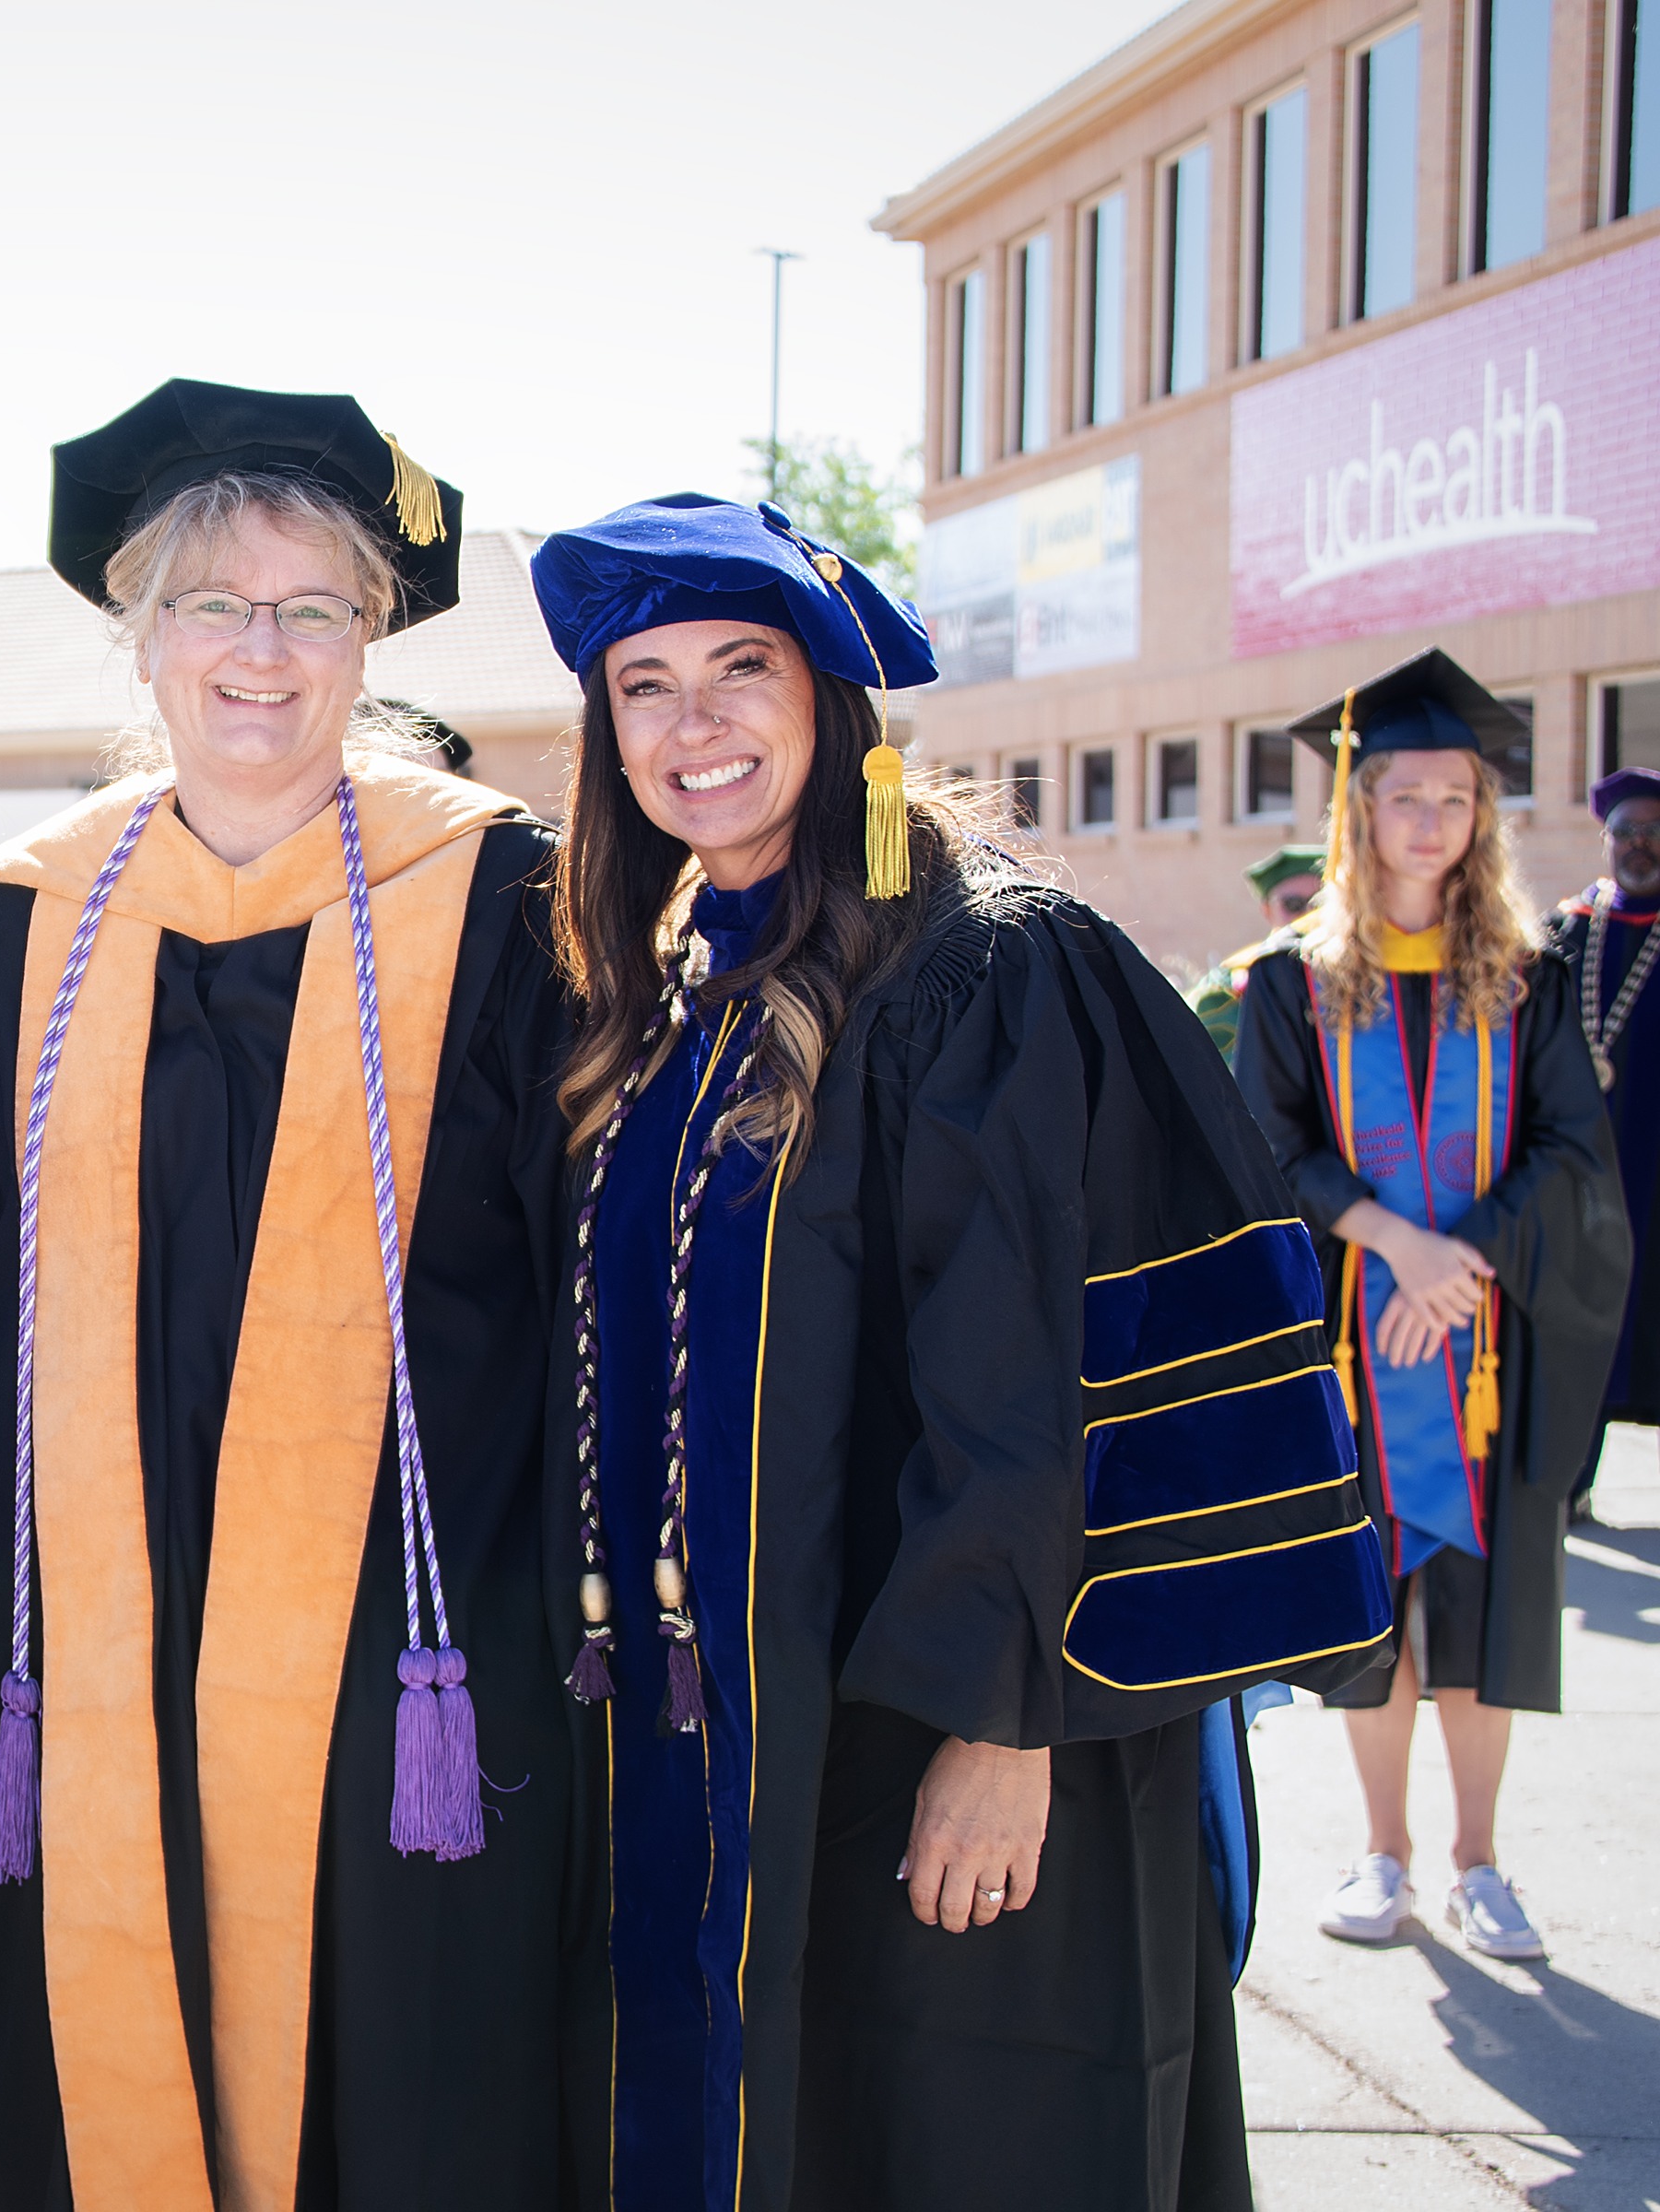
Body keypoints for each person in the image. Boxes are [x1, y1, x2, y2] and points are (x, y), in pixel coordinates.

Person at [531, 495, 1392, 2212]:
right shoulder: (675, 984)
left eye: (739, 670)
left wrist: (1008, 1736)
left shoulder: (985, 967)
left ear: (834, 700)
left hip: (961, 1741)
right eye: (645, 686)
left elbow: (1050, 1377)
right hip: (760, 1741)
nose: (691, 725)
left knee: (965, 2141)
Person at [0, 380, 598, 2208]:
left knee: (395, 2077)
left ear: (373, 639)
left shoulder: (504, 893)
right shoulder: (21, 920)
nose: (263, 652)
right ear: (138, 634)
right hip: (99, 1632)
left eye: (315, 608)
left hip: (413, 1634)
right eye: (215, 606)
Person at [1234, 648, 1629, 1966]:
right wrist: (1398, 1244)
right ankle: (1382, 1853)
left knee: (1477, 1612)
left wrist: (1460, 1265)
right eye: (1406, 796)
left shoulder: (1533, 972)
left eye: (1456, 799)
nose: (1431, 823)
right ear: (1362, 809)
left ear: (1482, 817)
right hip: (1356, 1341)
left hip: (1488, 1342)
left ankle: (1480, 1862)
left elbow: (1574, 1151)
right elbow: (1264, 1147)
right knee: (1376, 1611)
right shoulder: (1292, 981)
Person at [1551, 766, 1660, 1524]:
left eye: (1653, 833)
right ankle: (1570, 1480)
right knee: (1577, 1321)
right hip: (1583, 1168)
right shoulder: (1568, 930)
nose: (1639, 845)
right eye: (1625, 832)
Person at [1187, 841, 1324, 1062]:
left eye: (1321, 903)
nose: (1308, 914)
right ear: (1267, 910)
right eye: (1293, 904)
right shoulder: (1227, 988)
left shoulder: (1367, 976)